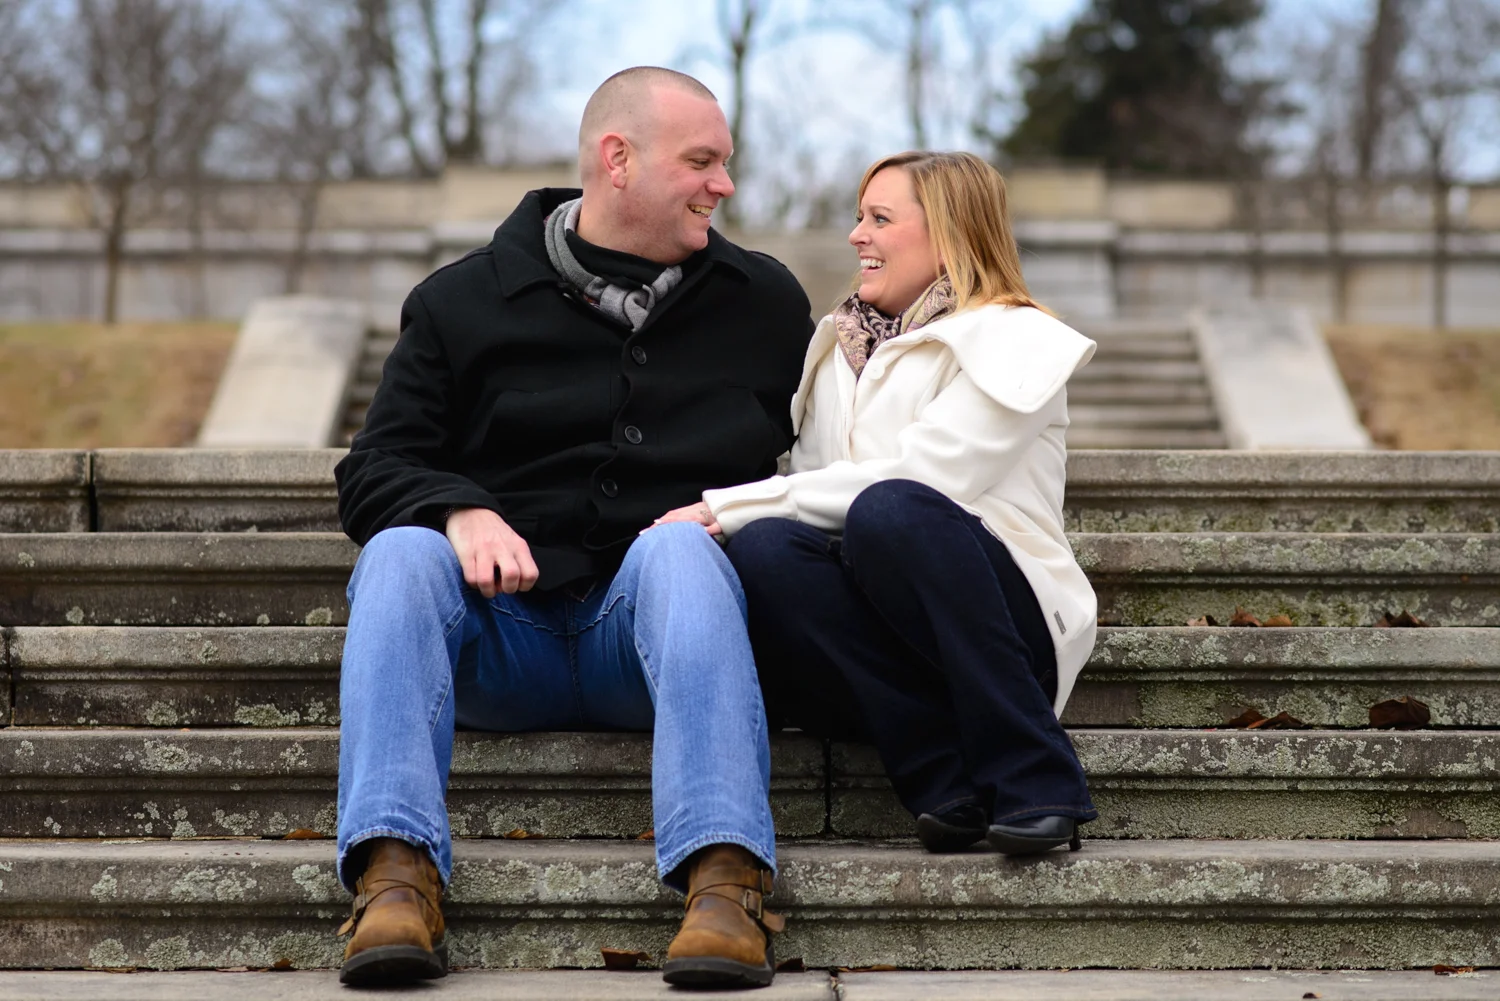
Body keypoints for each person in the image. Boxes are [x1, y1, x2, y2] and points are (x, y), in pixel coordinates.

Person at [332, 66, 812, 989]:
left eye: (725, 162)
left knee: (680, 545)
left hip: (655, 640)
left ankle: (726, 884)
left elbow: (833, 454)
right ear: (618, 159)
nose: (724, 184)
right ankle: (394, 877)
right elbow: (372, 467)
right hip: (498, 639)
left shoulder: (762, 303)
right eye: (702, 161)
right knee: (398, 551)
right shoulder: (459, 302)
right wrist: (457, 508)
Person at [659, 150, 1099, 857]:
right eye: (859, 217)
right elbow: (812, 503)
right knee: (766, 548)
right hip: (884, 640)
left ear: (949, 233)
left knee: (893, 509)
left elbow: (931, 476)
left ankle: (1038, 780)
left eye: (880, 219)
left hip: (1006, 631)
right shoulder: (837, 349)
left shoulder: (1018, 338)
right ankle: (943, 783)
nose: (857, 235)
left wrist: (728, 504)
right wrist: (748, 517)